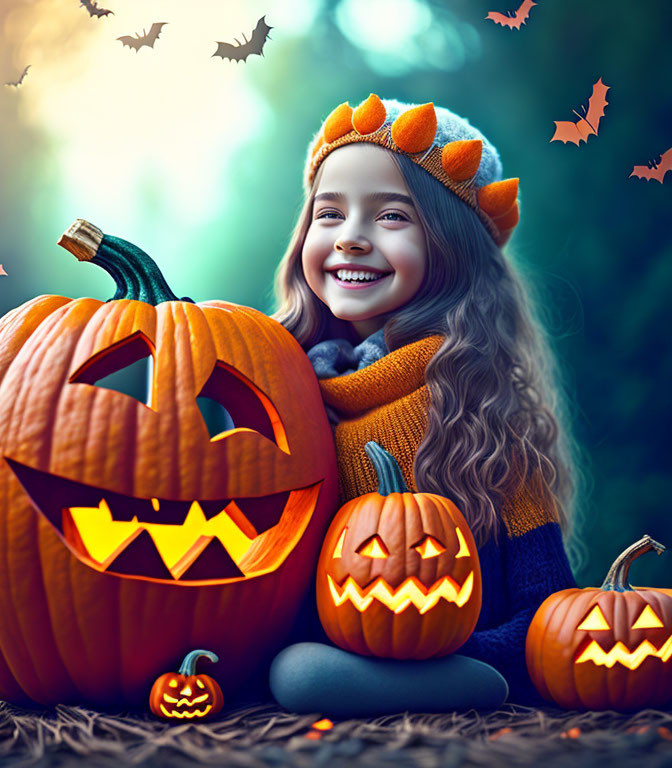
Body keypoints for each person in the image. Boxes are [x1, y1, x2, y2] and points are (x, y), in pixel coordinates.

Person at [268, 94, 580, 713]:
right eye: (329, 214)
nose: (351, 239)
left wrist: (467, 657)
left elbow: (546, 604)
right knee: (296, 669)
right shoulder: (283, 399)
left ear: (452, 246)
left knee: (301, 676)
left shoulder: (484, 408)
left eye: (390, 217)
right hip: (322, 649)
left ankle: (453, 689)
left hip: (470, 653)